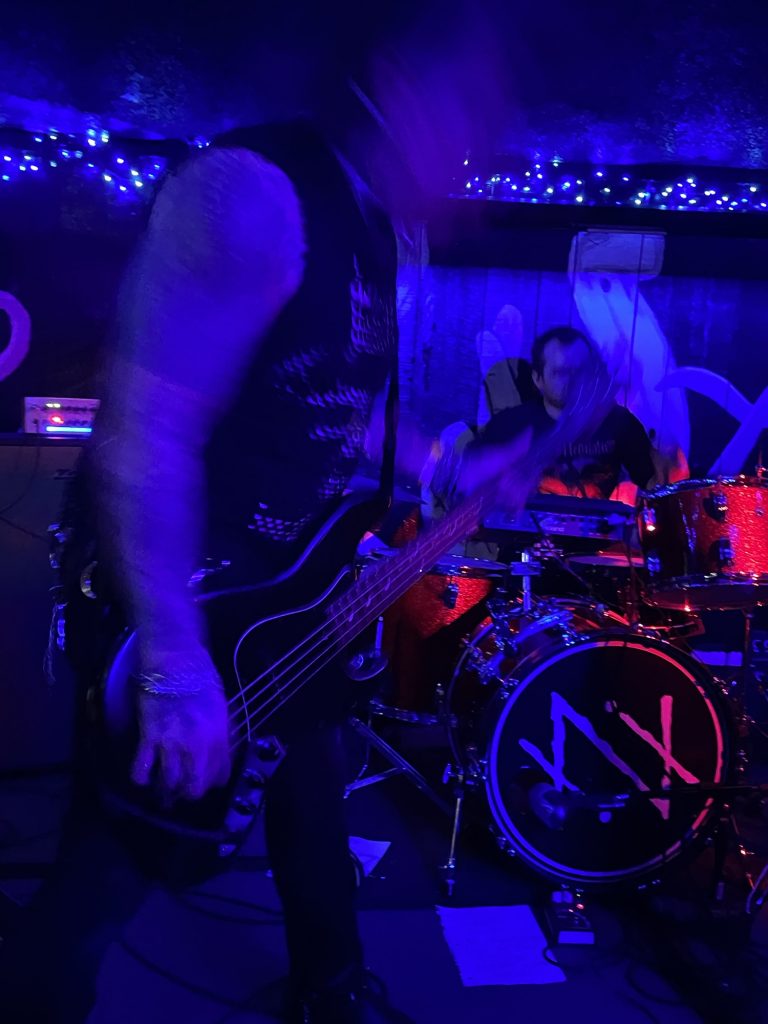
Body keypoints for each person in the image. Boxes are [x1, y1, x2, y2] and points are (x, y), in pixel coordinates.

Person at [0, 6, 516, 1024]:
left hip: (286, 588)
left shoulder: (372, 228)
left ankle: (330, 985)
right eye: (472, 113)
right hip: (177, 592)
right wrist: (172, 660)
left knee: (309, 772)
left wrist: (451, 463)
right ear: (397, 90)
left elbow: (333, 405)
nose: (485, 147)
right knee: (119, 855)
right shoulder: (254, 195)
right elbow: (145, 432)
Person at [479, 325, 657, 498]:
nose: (573, 380)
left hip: (599, 519)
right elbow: (477, 488)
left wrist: (665, 467)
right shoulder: (509, 425)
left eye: (581, 371)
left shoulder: (620, 423)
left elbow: (654, 485)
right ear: (538, 378)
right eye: (561, 372)